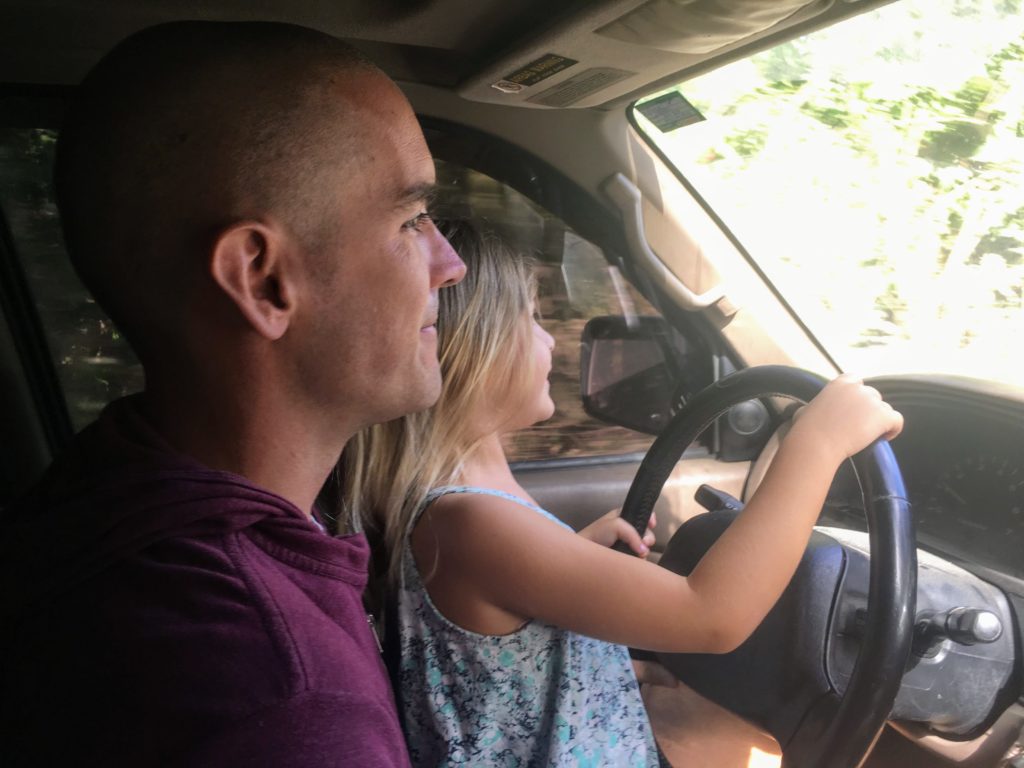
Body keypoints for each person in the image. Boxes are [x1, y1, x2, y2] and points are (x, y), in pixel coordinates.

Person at [0, 21, 465, 767]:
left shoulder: (106, 495)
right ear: (263, 280)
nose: (450, 263)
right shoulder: (284, 706)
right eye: (411, 220)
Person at [341, 220, 904, 767]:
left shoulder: (464, 508)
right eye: (532, 318)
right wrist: (819, 442)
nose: (550, 340)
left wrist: (576, 550)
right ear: (476, 350)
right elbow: (712, 615)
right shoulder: (468, 521)